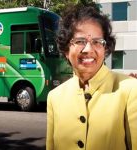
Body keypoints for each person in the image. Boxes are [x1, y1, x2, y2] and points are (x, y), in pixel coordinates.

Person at [46, 4, 137, 150]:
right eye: (80, 41)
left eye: (97, 42)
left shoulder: (131, 90)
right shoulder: (55, 97)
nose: (88, 49)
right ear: (66, 51)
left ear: (105, 49)